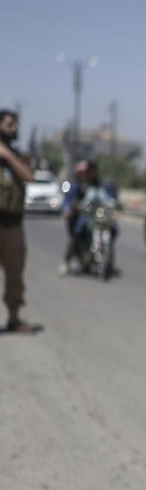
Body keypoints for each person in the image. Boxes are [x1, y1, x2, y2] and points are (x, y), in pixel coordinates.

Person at [0, 109, 35, 333]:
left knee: (15, 275)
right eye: (9, 124)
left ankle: (14, 319)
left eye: (15, 125)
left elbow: (28, 176)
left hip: (12, 224)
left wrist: (7, 156)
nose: (13, 129)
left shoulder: (18, 156)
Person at [60, 160, 117, 275]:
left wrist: (114, 204)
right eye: (87, 172)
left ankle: (106, 260)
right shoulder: (77, 186)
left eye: (92, 171)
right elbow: (68, 201)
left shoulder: (100, 186)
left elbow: (109, 198)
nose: (90, 174)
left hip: (98, 216)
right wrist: (71, 208)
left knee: (113, 228)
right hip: (85, 216)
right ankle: (67, 262)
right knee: (77, 231)